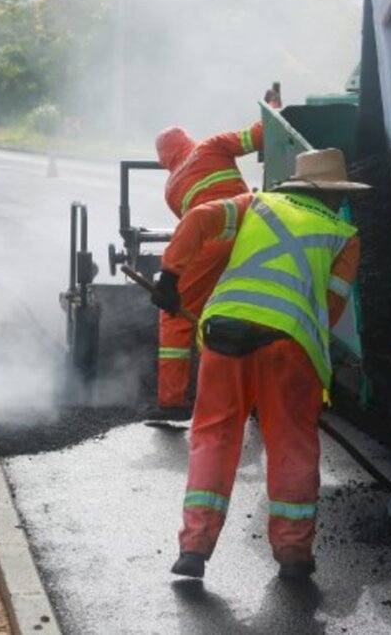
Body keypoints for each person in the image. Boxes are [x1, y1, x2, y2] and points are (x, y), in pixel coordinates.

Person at [152, 148, 369, 581]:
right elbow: (331, 308)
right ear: (333, 194)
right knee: (291, 443)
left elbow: (197, 220)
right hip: (288, 344)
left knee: (213, 436)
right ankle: (293, 554)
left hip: (223, 331)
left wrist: (170, 276)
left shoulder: (255, 204)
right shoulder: (345, 235)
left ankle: (194, 548)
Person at [147, 121, 263, 421]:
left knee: (176, 317)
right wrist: (274, 110)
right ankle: (260, 398)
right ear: (188, 139)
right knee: (254, 310)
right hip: (254, 231)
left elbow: (191, 228)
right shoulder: (212, 145)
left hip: (210, 241)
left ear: (164, 159)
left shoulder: (171, 187)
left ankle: (171, 401)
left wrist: (171, 279)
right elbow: (259, 135)